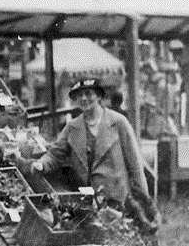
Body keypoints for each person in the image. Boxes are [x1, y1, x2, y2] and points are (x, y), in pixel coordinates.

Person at [28, 78, 159, 233]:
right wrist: (42, 164)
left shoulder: (118, 122)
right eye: (79, 95)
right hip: (91, 203)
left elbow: (135, 165)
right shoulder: (72, 128)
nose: (84, 98)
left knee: (124, 240)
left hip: (119, 199)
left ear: (98, 96)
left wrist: (145, 203)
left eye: (89, 93)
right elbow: (55, 154)